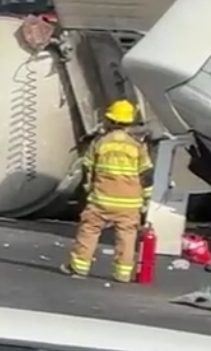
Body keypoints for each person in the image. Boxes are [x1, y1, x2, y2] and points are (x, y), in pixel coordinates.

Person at [62, 98, 154, 283]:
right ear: (129, 122)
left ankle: (79, 267)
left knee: (89, 230)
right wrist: (146, 200)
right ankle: (122, 273)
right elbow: (146, 174)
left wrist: (89, 190)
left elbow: (88, 168)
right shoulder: (137, 146)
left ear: (110, 121)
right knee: (127, 237)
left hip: (101, 199)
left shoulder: (100, 143)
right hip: (129, 203)